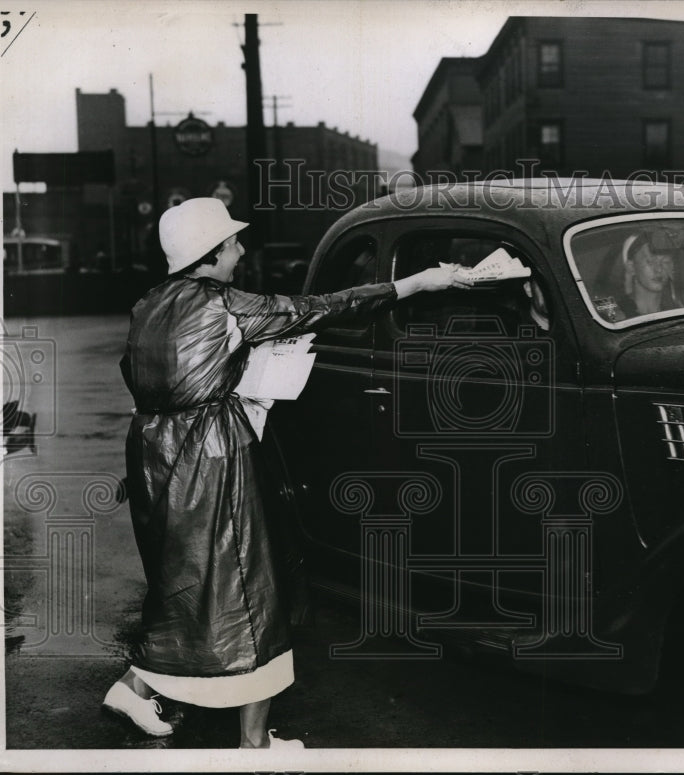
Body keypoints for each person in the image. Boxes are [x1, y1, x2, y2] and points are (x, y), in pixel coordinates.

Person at [102, 197, 471, 748]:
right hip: (213, 457)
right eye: (232, 244)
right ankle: (255, 744)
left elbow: (140, 373)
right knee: (252, 589)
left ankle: (134, 686)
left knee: (183, 585)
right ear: (210, 252)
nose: (240, 251)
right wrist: (416, 284)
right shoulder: (226, 305)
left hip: (156, 455)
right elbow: (323, 307)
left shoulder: (147, 305)